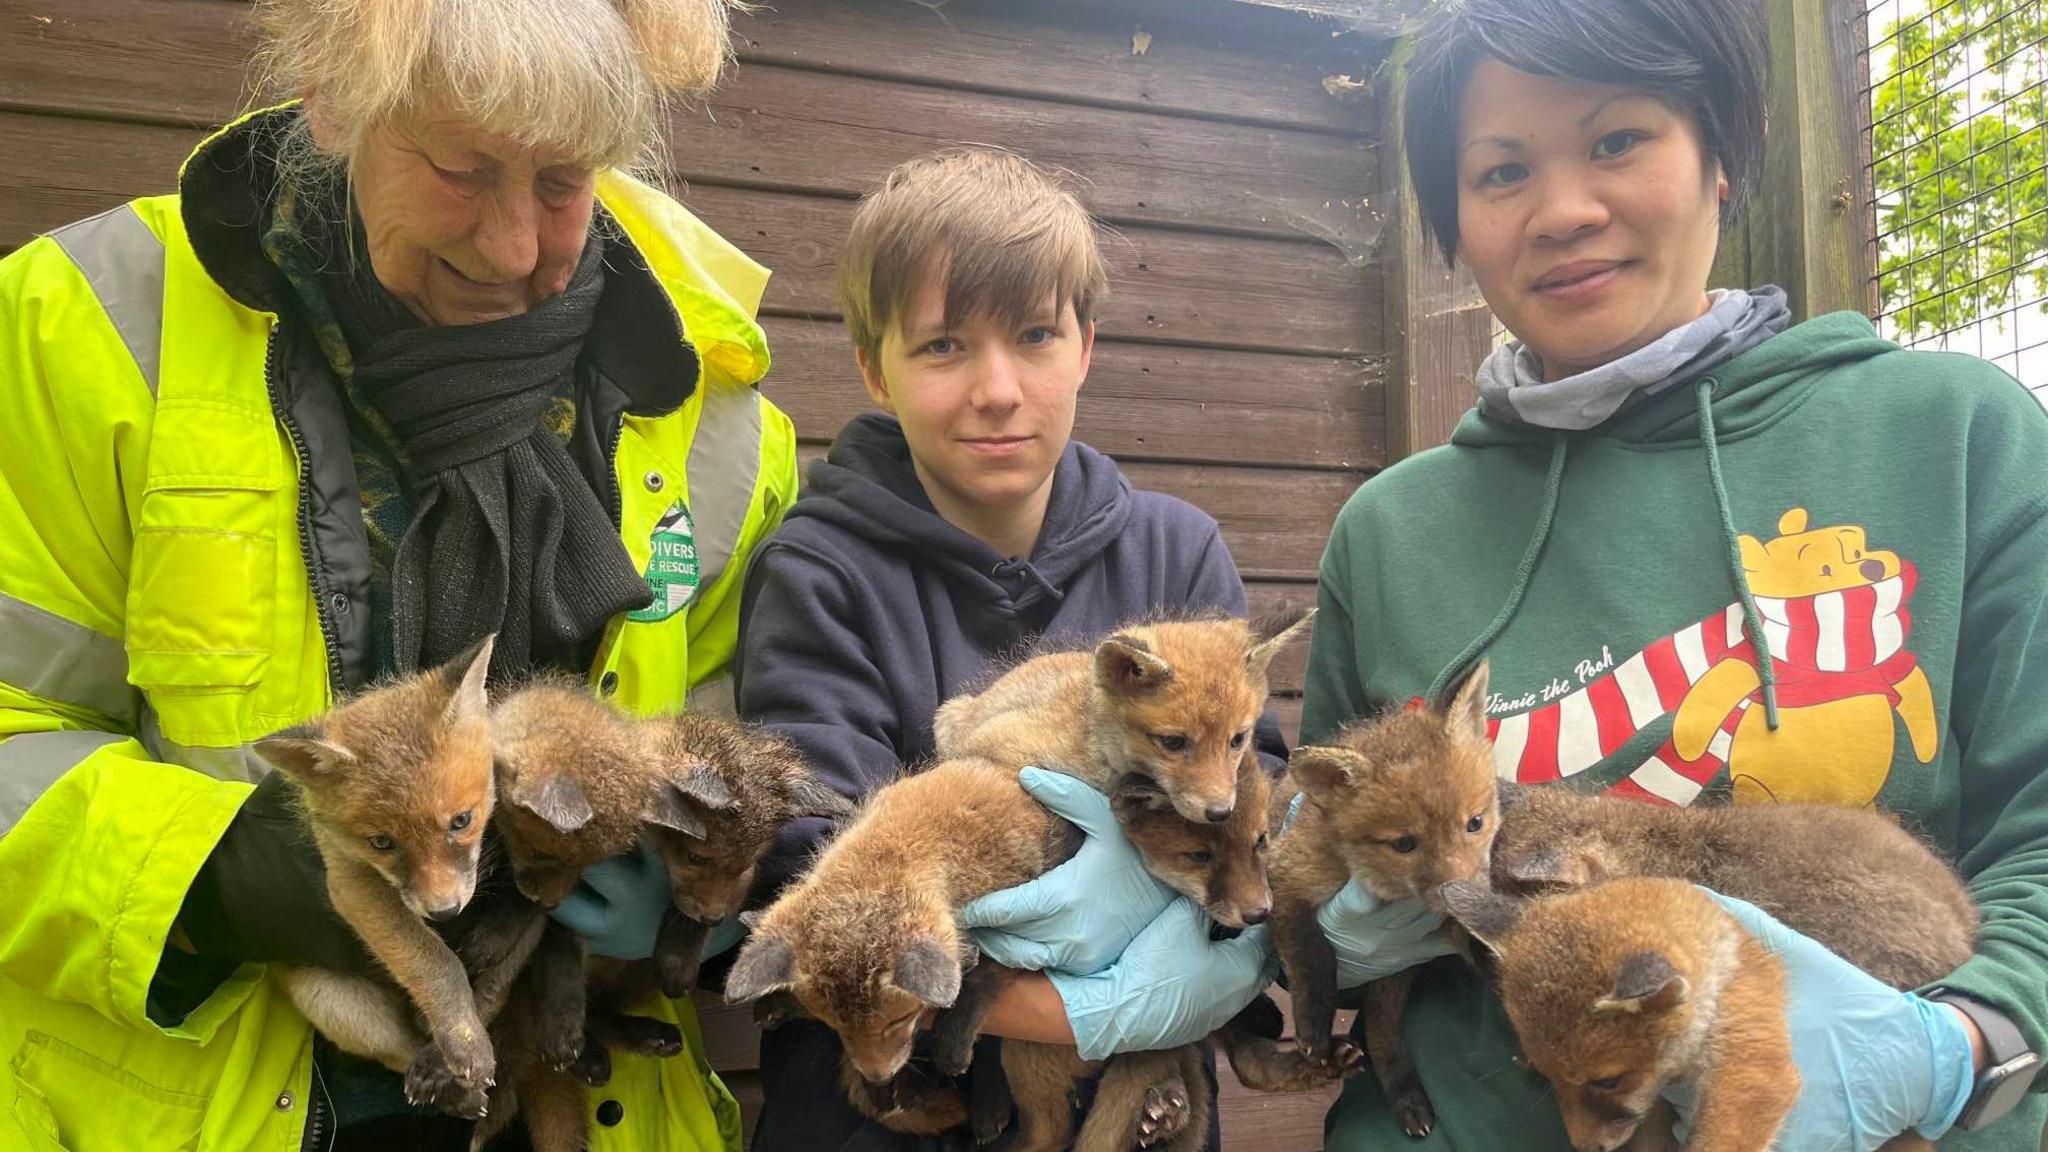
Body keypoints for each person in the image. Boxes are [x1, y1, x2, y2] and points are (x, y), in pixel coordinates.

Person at [0, 0, 799, 1148]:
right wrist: (222, 876)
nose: (516, 245)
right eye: (464, 169)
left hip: (582, 1103)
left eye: (566, 181)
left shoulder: (713, 406)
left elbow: (743, 724)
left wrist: (694, 898)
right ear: (334, 98)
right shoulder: (83, 325)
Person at [1301, 0, 2048, 1148]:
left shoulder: (1952, 436)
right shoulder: (1390, 532)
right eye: (1499, 171)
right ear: (1448, 216)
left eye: (1614, 142)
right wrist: (1304, 926)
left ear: (1722, 148)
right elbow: (1323, 858)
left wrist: (1965, 1044)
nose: (1562, 212)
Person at [731, 147, 1282, 1152]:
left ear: (1085, 346)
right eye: (943, 347)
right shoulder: (817, 573)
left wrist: (1227, 956)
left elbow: (1262, 784)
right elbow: (814, 873)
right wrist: (1086, 1009)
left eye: (1033, 335)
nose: (996, 389)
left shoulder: (1176, 550)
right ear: (872, 368)